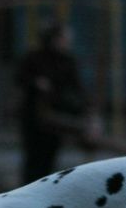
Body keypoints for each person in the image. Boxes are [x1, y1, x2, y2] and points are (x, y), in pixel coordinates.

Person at [13, 22, 98, 183]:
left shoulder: (67, 60)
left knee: (49, 155)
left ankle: (42, 187)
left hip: (55, 117)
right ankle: (27, 188)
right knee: (33, 156)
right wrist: (36, 82)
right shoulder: (34, 57)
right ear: (54, 39)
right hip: (33, 117)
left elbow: (77, 87)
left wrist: (88, 110)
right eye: (64, 38)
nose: (67, 42)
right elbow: (19, 78)